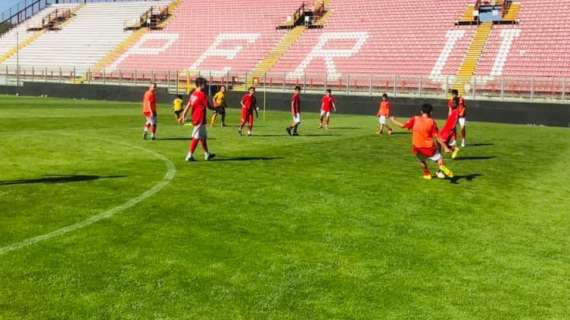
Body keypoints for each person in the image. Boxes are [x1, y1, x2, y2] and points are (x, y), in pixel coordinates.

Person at [390, 103, 454, 180]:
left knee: (422, 160)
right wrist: (445, 147)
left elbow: (403, 126)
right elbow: (436, 137)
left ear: (421, 111)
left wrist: (393, 120)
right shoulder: (432, 122)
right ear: (431, 112)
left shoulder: (415, 118)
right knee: (439, 159)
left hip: (416, 147)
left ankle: (427, 174)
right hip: (428, 147)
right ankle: (440, 167)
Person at [179, 77, 215, 162]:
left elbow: (188, 104)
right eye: (205, 84)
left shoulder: (193, 94)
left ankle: (207, 154)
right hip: (200, 118)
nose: (206, 86)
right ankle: (189, 155)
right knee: (197, 137)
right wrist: (216, 108)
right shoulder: (202, 94)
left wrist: (183, 114)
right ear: (201, 85)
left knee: (203, 137)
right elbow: (208, 106)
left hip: (196, 117)